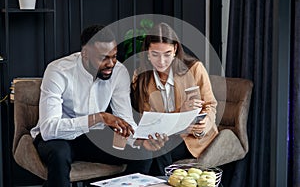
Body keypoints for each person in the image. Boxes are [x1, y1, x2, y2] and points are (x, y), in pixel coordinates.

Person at [30, 25, 152, 187]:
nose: (111, 64)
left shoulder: (119, 72)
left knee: (142, 153)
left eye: (114, 56)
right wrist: (98, 118)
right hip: (58, 137)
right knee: (59, 154)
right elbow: (48, 129)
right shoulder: (58, 70)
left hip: (94, 137)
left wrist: (139, 139)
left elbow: (125, 120)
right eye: (103, 58)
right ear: (85, 54)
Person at [131, 22, 219, 175]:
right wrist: (180, 112)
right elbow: (149, 121)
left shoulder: (194, 69)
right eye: (155, 54)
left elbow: (210, 105)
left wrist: (203, 126)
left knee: (160, 151)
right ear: (147, 53)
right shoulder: (141, 78)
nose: (162, 61)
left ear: (175, 49)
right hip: (163, 136)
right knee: (151, 150)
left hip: (191, 138)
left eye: (167, 54)